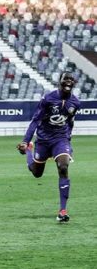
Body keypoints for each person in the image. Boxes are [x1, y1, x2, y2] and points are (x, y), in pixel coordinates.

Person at [17, 71, 80, 223]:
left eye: (71, 80)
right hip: (43, 140)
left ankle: (62, 211)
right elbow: (35, 120)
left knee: (63, 167)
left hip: (61, 139)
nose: (68, 82)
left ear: (74, 83)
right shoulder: (48, 99)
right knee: (37, 173)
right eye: (66, 79)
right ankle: (29, 152)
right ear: (60, 81)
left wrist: (68, 138)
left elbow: (70, 121)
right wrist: (26, 141)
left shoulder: (76, 103)